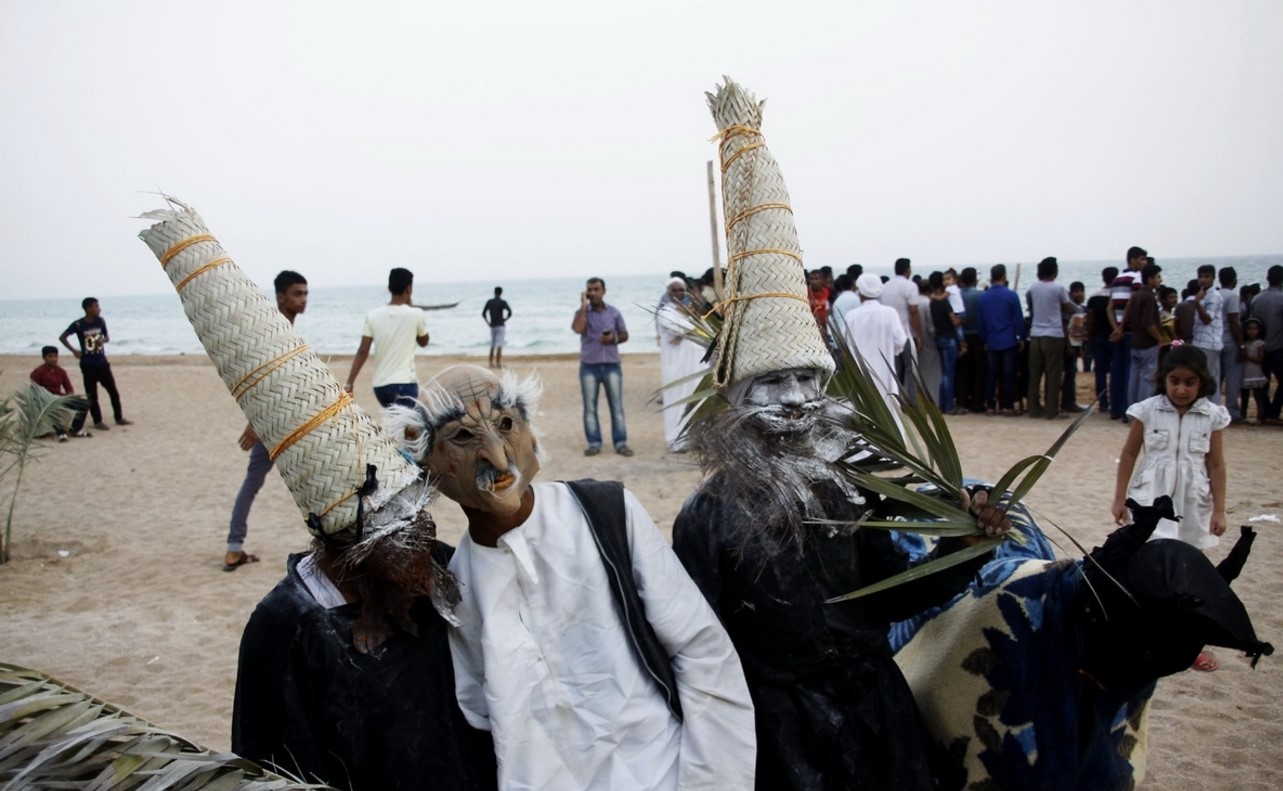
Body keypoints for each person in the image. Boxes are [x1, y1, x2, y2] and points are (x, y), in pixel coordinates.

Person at [390, 365, 757, 790]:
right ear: (428, 466)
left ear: (530, 432)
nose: (496, 454)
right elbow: (477, 715)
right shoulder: (455, 590)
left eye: (506, 424)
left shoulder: (609, 514)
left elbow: (703, 652)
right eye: (463, 437)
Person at [1111, 345, 1230, 672]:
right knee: (1148, 566)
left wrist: (1220, 510)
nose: (1180, 389)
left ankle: (1186, 646)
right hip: (1151, 500)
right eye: (1174, 380)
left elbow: (1217, 464)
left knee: (1189, 574)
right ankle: (1140, 635)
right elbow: (1130, 454)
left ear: (1202, 382)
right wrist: (1119, 497)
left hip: (1194, 504)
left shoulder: (1212, 415)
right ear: (1163, 379)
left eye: (1189, 382)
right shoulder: (1147, 410)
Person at [223, 270, 308, 572]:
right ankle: (233, 547)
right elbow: (260, 380)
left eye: (305, 294)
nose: (303, 300)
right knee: (299, 481)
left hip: (287, 422)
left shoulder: (285, 329)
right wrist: (254, 422)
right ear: (281, 296)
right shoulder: (276, 331)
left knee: (260, 483)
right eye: (297, 293)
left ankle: (234, 547)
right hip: (274, 424)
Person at [344, 267, 429, 408]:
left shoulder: (373, 315)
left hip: (381, 387)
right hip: (405, 383)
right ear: (409, 289)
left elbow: (362, 351)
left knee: (395, 422)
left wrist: (350, 382)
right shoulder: (416, 314)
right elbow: (424, 341)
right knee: (410, 426)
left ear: (389, 288)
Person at [570, 277, 633, 456]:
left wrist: (612, 339)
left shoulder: (613, 312)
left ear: (604, 291)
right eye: (590, 289)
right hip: (589, 366)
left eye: (597, 289)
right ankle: (594, 443)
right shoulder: (582, 313)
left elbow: (625, 334)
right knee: (590, 407)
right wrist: (583, 306)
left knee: (617, 406)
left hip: (612, 365)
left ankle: (620, 443)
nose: (593, 293)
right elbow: (578, 329)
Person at [840, 272, 908, 424]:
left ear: (860, 291)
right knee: (889, 410)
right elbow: (901, 341)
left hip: (860, 372)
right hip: (886, 371)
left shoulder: (852, 316)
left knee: (864, 410)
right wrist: (892, 352)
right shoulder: (889, 314)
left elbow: (844, 344)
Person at [59, 297, 131, 431]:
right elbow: (63, 337)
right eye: (96, 306)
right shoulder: (79, 324)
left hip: (102, 362)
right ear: (88, 309)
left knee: (113, 391)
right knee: (92, 394)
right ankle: (97, 421)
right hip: (88, 363)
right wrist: (74, 351)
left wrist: (102, 340)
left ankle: (119, 417)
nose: (99, 309)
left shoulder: (100, 321)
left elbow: (107, 337)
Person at [656, 277, 707, 452]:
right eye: (674, 290)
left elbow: (701, 328)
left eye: (680, 290)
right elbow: (685, 328)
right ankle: (676, 440)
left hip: (694, 367)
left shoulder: (689, 311)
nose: (677, 293)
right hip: (676, 368)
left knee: (696, 402)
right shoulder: (666, 312)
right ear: (668, 292)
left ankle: (695, 439)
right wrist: (690, 320)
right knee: (677, 403)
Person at [1025, 257, 1072, 419]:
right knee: (1053, 374)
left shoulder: (1033, 288)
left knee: (1034, 374)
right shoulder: (1058, 288)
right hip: (1053, 334)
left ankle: (1033, 408)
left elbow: (1030, 305)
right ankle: (1051, 410)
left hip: (1036, 334)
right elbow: (1067, 306)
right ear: (1054, 271)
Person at [976, 264, 1025, 416]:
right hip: (1008, 340)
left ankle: (990, 405)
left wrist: (984, 338)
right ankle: (1007, 406)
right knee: (1008, 374)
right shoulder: (1011, 295)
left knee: (991, 374)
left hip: (991, 339)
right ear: (1004, 276)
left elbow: (981, 322)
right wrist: (1022, 336)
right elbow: (1018, 318)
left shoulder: (983, 297)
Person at [1107, 246, 1149, 419]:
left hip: (1118, 332)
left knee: (1117, 371)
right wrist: (1122, 328)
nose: (1144, 263)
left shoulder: (1117, 279)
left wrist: (1116, 328)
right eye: (1142, 259)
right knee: (1130, 372)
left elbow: (1110, 307)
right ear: (1132, 260)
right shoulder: (1137, 278)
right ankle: (1127, 409)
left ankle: (1114, 409)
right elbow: (1133, 305)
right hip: (1131, 331)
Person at [1122, 263, 1165, 419]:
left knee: (1134, 378)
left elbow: (1129, 317)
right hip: (1148, 343)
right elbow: (1148, 322)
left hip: (1136, 340)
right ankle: (1142, 415)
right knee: (1147, 379)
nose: (1160, 280)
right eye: (1158, 277)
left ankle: (1131, 413)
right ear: (1150, 278)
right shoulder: (1149, 296)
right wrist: (1160, 339)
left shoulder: (1136, 294)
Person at [879, 258, 923, 403]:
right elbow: (914, 311)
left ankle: (894, 400)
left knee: (893, 369)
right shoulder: (910, 286)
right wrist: (918, 334)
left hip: (888, 335)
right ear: (908, 270)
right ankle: (911, 401)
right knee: (910, 369)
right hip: (906, 332)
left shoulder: (885, 286)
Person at [1246, 265, 1283, 421]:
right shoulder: (1281, 298)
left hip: (1259, 345)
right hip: (1277, 346)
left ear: (1268, 278)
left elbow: (1251, 322)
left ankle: (1265, 410)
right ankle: (1273, 412)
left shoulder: (1257, 298)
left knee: (1263, 381)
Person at [29, 346, 89, 440]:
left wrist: (69, 397)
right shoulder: (38, 372)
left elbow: (68, 388)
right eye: (50, 356)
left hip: (59, 397)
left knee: (84, 404)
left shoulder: (61, 372)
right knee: (54, 406)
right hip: (44, 399)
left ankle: (75, 429)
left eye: (55, 356)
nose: (53, 359)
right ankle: (60, 433)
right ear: (44, 358)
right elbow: (34, 389)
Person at [1083, 267, 1118, 414]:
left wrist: (1088, 336)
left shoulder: (1094, 297)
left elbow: (1090, 319)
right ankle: (1116, 401)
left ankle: (1102, 402)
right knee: (1116, 371)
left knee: (1100, 371)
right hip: (1115, 337)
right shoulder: (1118, 297)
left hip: (1098, 337)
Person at [928, 271, 963, 414]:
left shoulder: (933, 303)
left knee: (944, 372)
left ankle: (942, 404)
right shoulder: (945, 303)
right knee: (949, 373)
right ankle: (948, 405)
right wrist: (961, 320)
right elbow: (954, 321)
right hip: (949, 338)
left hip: (939, 337)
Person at [1190, 264, 1224, 403]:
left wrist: (1197, 303)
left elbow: (1207, 319)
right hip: (1201, 341)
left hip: (1208, 342)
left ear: (1213, 278)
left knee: (1206, 377)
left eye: (1206, 276)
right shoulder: (1202, 294)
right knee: (1209, 376)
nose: (1203, 280)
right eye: (1200, 277)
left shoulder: (1214, 296)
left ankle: (1211, 407)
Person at [956, 267, 987, 413]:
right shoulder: (981, 295)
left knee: (963, 371)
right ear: (975, 279)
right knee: (979, 371)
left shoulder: (957, 295)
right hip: (977, 335)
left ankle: (962, 401)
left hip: (962, 335)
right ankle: (978, 402)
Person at [1218, 267, 1245, 422]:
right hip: (1230, 341)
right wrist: (1241, 345)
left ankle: (1214, 407)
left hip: (1217, 340)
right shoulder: (1232, 297)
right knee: (1233, 378)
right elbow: (1234, 321)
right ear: (1234, 280)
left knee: (1217, 377)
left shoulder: (1216, 295)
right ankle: (1232, 411)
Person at [1062, 280, 1086, 412]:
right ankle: (1068, 402)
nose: (1080, 294)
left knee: (1072, 373)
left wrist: (1080, 348)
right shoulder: (1070, 308)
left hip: (1076, 344)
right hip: (1069, 346)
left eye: (1081, 291)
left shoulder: (1080, 309)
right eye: (1076, 292)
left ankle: (1070, 401)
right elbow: (1066, 327)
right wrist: (1069, 346)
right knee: (1069, 374)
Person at [1241, 318, 1268, 423]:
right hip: (1246, 373)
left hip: (1256, 374)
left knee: (1258, 397)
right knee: (1244, 397)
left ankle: (1260, 417)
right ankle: (1243, 415)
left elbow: (1260, 359)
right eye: (1249, 329)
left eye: (1255, 329)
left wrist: (1247, 355)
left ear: (1259, 330)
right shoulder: (1245, 343)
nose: (1252, 331)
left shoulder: (1260, 344)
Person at [482, 286, 512, 369]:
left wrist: (488, 323)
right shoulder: (502, 302)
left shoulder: (490, 302)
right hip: (500, 325)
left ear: (494, 292)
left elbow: (483, 313)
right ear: (501, 293)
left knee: (492, 344)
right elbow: (510, 312)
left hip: (493, 325)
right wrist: (505, 319)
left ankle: (490, 363)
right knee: (499, 344)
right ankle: (498, 363)